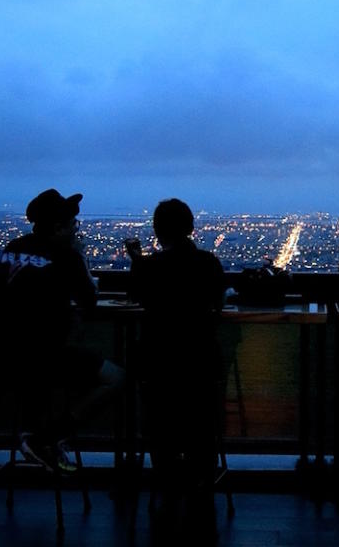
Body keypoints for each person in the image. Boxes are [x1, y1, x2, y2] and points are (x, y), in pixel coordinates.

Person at [0, 189, 125, 473]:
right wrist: (81, 256)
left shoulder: (13, 248)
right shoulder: (65, 256)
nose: (75, 230)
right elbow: (89, 302)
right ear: (58, 228)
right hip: (42, 357)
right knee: (117, 379)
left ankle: (38, 436)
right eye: (72, 225)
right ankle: (47, 438)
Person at [126, 198, 227, 538]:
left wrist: (138, 262)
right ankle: (201, 480)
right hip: (200, 361)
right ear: (191, 228)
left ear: (157, 230)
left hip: (159, 362)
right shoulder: (208, 263)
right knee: (201, 421)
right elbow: (218, 302)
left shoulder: (151, 267)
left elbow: (138, 296)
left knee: (160, 423)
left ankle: (167, 481)